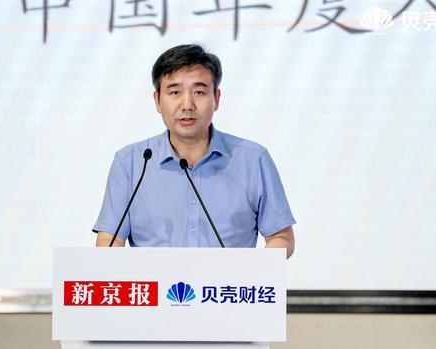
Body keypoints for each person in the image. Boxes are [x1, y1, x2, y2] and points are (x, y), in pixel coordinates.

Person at [93, 44, 295, 257]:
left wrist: (252, 269)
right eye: (175, 92)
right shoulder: (131, 163)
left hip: (229, 279)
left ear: (216, 99)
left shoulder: (253, 159)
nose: (187, 104)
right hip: (154, 279)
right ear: (157, 101)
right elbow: (110, 239)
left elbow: (281, 236)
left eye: (199, 92)